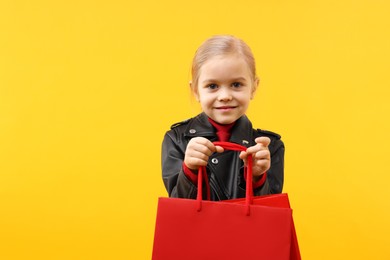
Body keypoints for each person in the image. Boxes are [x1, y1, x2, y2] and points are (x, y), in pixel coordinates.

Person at [161, 35, 284, 200]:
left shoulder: (268, 147)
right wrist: (189, 170)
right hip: (198, 228)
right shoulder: (177, 139)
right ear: (196, 91)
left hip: (243, 228)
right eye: (212, 86)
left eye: (236, 85)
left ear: (254, 87)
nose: (225, 96)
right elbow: (177, 210)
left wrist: (257, 178)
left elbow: (269, 215)